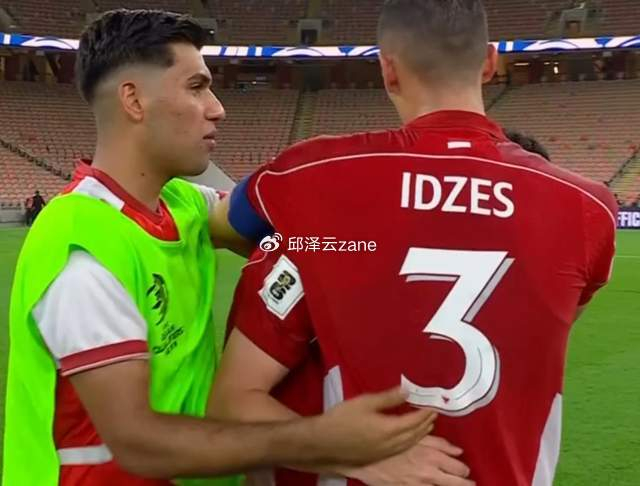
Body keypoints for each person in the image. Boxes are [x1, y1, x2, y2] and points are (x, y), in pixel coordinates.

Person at [2, 9, 439, 486]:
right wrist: (330, 444)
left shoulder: (180, 204)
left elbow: (283, 238)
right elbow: (140, 443)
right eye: (196, 87)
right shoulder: (82, 250)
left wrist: (365, 244)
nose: (217, 108)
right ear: (134, 100)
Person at [208, 0, 618, 484]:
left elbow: (222, 226)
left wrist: (330, 253)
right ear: (490, 62)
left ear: (388, 69)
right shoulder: (588, 207)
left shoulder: (315, 176)